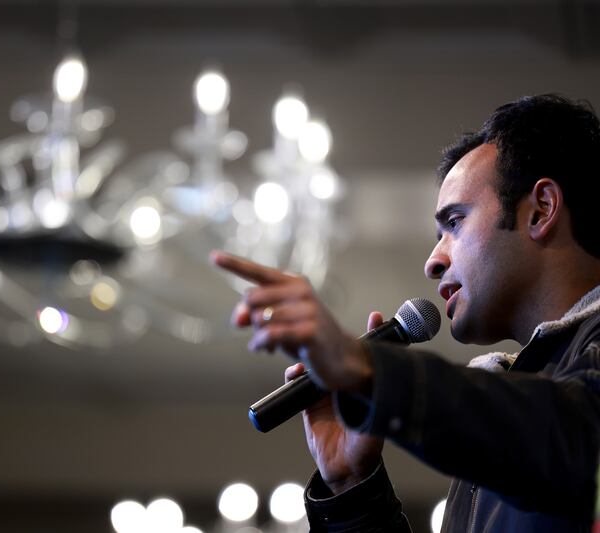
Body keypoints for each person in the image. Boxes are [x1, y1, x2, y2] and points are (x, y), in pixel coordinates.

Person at [212, 94, 600, 532]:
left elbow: (578, 439)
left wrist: (372, 371)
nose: (432, 261)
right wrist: (351, 489)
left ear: (542, 209)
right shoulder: (512, 410)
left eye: (454, 222)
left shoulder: (550, 415)